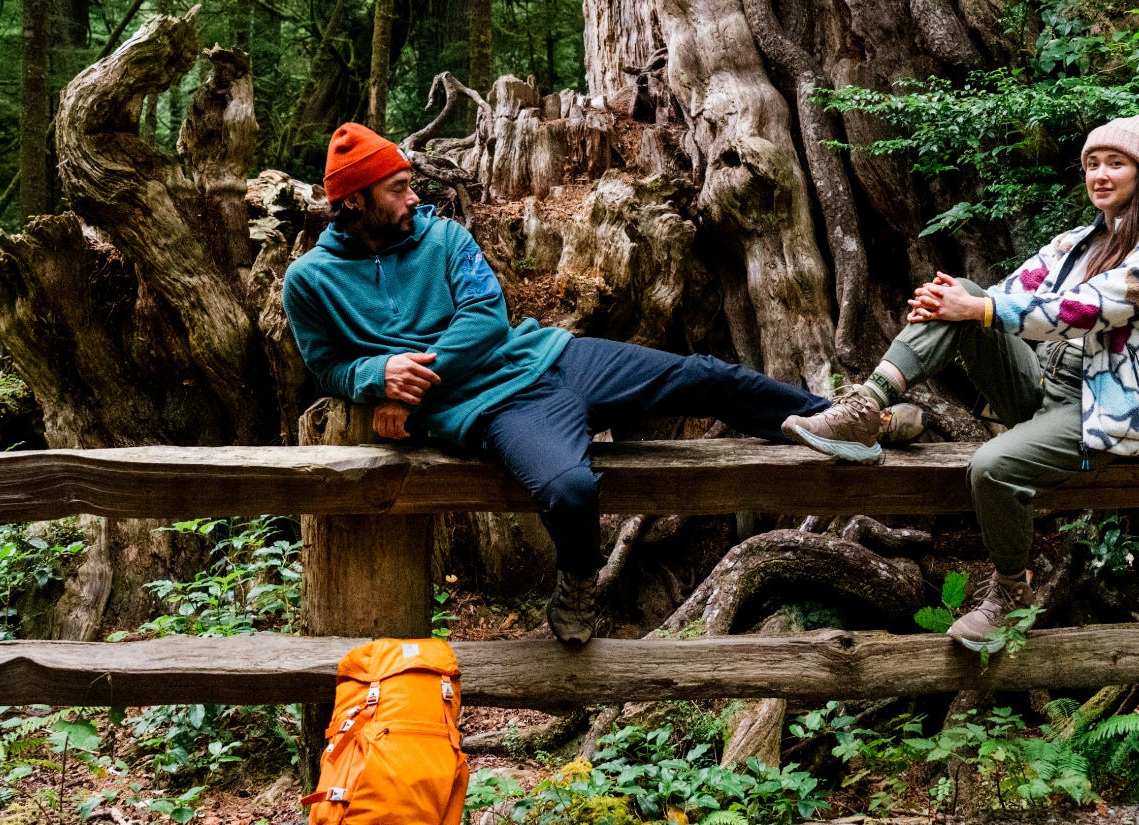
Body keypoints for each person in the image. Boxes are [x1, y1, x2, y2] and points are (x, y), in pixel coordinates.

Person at [282, 123, 920, 646]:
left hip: (551, 356)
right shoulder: (311, 281)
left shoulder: (444, 237)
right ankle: (578, 580)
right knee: (569, 488)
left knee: (701, 373)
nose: (414, 199)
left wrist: (414, 381)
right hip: (496, 408)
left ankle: (847, 417)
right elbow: (328, 365)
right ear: (354, 200)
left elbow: (486, 319)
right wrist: (376, 378)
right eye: (397, 189)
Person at [781, 114, 1139, 652]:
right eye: (1092, 164)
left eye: (1116, 163)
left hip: (1102, 411)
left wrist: (976, 308)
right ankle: (867, 406)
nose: (1100, 174)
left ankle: (1011, 590)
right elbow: (1007, 291)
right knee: (967, 291)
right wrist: (951, 303)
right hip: (1044, 384)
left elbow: (1084, 310)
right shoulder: (1073, 243)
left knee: (991, 466)